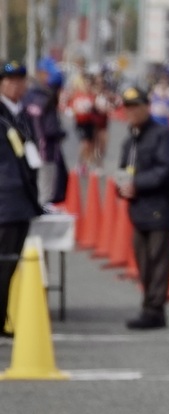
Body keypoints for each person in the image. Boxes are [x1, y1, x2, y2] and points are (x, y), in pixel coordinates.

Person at [115, 85, 169, 330]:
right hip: (139, 209)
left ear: (147, 107)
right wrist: (122, 187)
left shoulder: (161, 135)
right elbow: (122, 171)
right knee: (144, 260)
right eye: (128, 107)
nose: (132, 111)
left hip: (162, 206)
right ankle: (150, 305)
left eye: (136, 106)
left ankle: (154, 309)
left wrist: (136, 184)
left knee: (158, 260)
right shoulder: (130, 141)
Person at [0, 60, 44, 340]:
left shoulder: (20, 114)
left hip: (21, 201)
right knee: (3, 264)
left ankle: (2, 317)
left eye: (20, 81)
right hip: (5, 201)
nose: (16, 85)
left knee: (9, 266)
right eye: (10, 81)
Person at [23, 63, 65, 204]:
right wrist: (61, 133)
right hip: (46, 151)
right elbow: (51, 129)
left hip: (28, 152)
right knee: (45, 194)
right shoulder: (46, 99)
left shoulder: (27, 97)